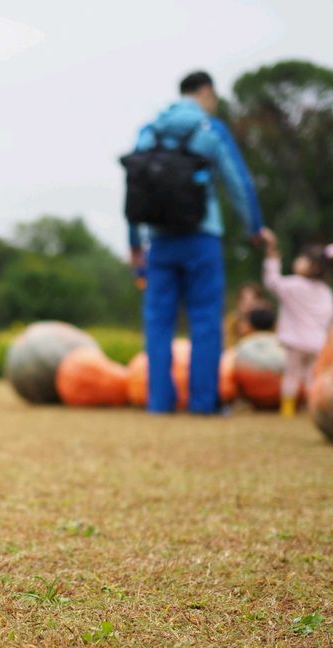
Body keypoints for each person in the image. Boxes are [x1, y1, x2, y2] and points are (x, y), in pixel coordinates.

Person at [127, 71, 264, 414]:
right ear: (206, 92)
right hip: (202, 237)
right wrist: (254, 227)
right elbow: (238, 181)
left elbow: (135, 187)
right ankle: (204, 403)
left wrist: (134, 243)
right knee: (204, 321)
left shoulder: (150, 131)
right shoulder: (210, 129)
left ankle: (159, 401)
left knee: (158, 323)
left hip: (159, 239)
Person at [260, 228, 333, 417]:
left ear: (313, 267)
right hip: (317, 342)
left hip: (295, 341)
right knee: (312, 376)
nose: (297, 261)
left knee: (292, 375)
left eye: (302, 259)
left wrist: (272, 259)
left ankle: (287, 409)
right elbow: (330, 315)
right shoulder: (326, 292)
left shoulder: (294, 285)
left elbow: (272, 282)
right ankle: (313, 408)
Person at [224, 282, 272, 347]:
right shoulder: (230, 322)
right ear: (237, 302)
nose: (248, 304)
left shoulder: (267, 324)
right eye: (243, 299)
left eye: (253, 299)